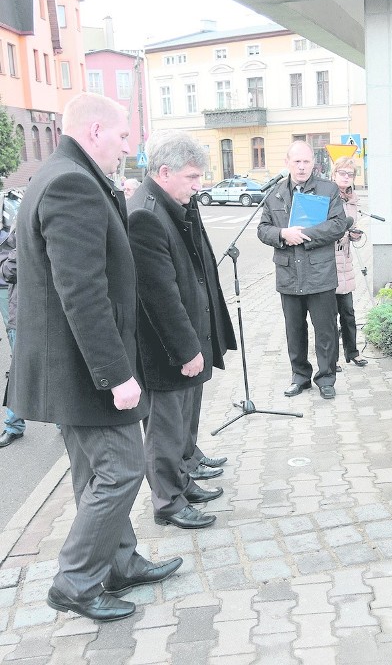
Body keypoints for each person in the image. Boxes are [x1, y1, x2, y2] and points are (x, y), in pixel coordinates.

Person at [7, 93, 182, 622]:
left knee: (93, 472)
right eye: (125, 136)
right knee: (121, 468)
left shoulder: (64, 174)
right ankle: (76, 581)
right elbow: (80, 291)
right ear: (98, 130)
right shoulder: (71, 183)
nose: (129, 147)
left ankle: (119, 563)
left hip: (71, 367)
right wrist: (117, 375)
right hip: (86, 369)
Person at [128, 130, 236, 530]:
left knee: (181, 424)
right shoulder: (145, 214)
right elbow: (159, 295)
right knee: (164, 430)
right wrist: (187, 349)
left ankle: (182, 482)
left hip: (186, 340)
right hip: (165, 349)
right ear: (165, 171)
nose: (199, 184)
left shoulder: (171, 203)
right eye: (193, 177)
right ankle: (167, 502)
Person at [257, 140, 348, 399]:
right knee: (294, 330)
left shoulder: (327, 190)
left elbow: (337, 225)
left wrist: (304, 235)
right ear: (287, 163)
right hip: (288, 275)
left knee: (326, 329)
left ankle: (326, 377)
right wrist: (283, 234)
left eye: (306, 161)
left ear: (313, 164)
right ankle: (300, 376)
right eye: (296, 161)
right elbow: (263, 229)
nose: (301, 166)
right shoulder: (274, 193)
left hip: (319, 273)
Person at [332, 157, 368, 370]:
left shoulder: (353, 199)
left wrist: (354, 234)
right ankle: (331, 359)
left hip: (345, 260)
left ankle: (352, 352)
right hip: (327, 262)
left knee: (348, 312)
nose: (346, 177)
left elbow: (351, 223)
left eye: (350, 174)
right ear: (334, 174)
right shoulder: (326, 196)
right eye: (342, 173)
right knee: (328, 316)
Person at [0, 226, 26, 447]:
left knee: (55, 367)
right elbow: (8, 270)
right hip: (21, 308)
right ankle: (14, 425)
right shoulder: (17, 229)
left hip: (50, 310)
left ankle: (62, 423)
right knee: (18, 367)